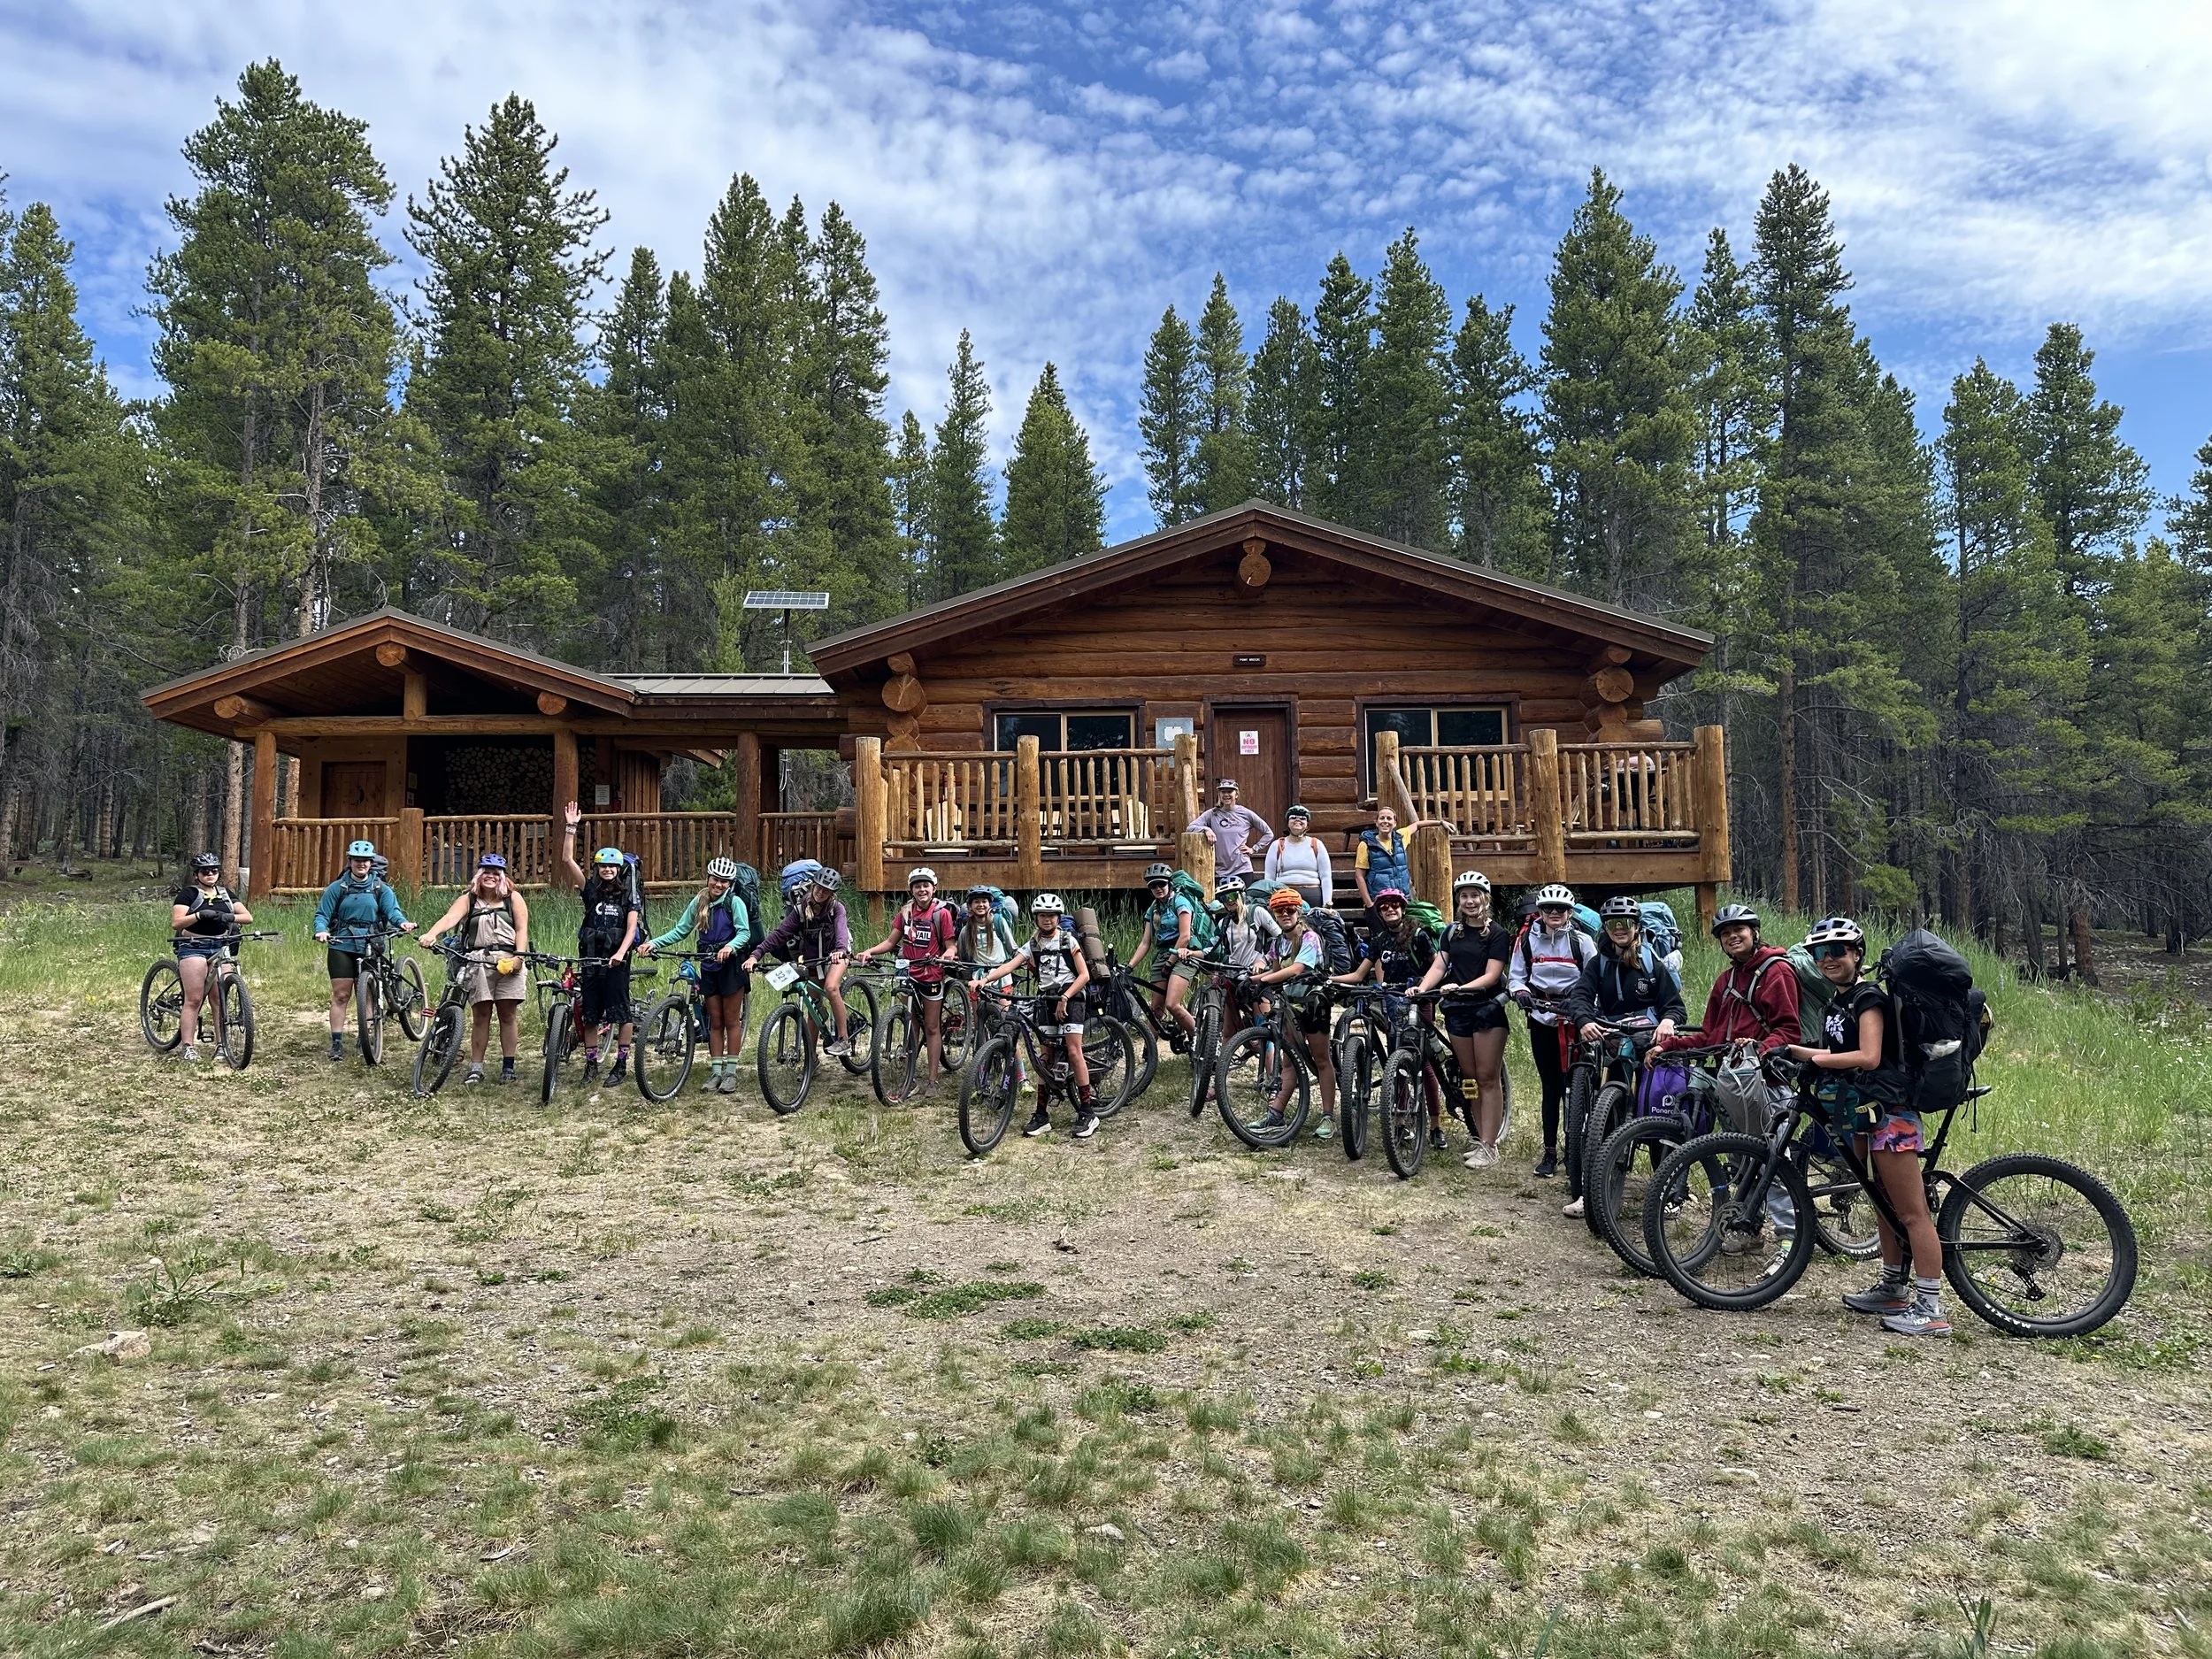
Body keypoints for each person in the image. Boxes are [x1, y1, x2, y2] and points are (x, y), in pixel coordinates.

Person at [1785, 917, 1950, 1338]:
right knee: (1883, 1203)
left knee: (1912, 1213)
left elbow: (1870, 1056)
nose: (1828, 960)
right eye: (1820, 953)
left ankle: (1931, 1307)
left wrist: (1815, 1060)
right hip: (1864, 1110)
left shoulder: (1868, 999)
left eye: (1837, 951)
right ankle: (1894, 1287)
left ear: (1857, 954)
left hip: (1891, 1113)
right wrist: (1789, 1050)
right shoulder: (1835, 1002)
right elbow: (1829, 1050)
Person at [1559, 894, 1685, 1217]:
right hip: (1613, 1039)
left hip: (1648, 1041)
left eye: (1625, 923)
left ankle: (1670, 1189)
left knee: (1657, 1106)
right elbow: (1581, 998)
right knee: (1600, 1116)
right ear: (1605, 927)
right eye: (1613, 923)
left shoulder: (1651, 961)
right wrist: (1585, 1020)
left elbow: (1674, 1004)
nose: (1619, 929)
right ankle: (1591, 1191)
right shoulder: (1598, 962)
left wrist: (1668, 1021)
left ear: (1636, 926)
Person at [977, 893, 1097, 1140]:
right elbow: (1010, 965)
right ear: (1036, 918)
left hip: (1071, 996)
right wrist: (984, 980)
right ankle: (1041, 1115)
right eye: (1042, 915)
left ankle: (1087, 1111)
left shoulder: (1068, 940)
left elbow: (1084, 975)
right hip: (1046, 999)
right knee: (1045, 1058)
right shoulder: (1033, 945)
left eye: (1051, 915)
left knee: (1074, 1051)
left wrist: (1065, 998)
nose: (1047, 920)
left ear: (1057, 917)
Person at [1331, 887, 1444, 1147]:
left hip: (1419, 1001)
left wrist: (1423, 988)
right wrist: (1330, 979)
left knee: (1423, 1063)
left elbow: (1437, 965)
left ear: (1403, 908)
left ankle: (1436, 1125)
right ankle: (1402, 1124)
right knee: (1399, 1064)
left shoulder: (1419, 934)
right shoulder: (1380, 940)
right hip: (1393, 1003)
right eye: (1384, 906)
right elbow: (1359, 975)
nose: (1390, 909)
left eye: (1394, 904)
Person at [1416, 871, 1512, 1167]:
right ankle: (1481, 1138)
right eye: (1464, 896)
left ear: (1485, 899)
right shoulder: (1451, 931)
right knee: (1470, 1078)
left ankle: (1490, 1145)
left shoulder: (1497, 934)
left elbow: (1492, 975)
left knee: (1487, 1077)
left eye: (1475, 895)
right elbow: (1440, 965)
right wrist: (1422, 987)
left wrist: (1461, 987)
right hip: (1457, 1009)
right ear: (1458, 899)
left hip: (1486, 1009)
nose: (1470, 901)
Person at [1507, 883, 1598, 1178]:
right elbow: (1516, 977)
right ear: (1540, 912)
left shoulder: (1582, 941)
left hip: (1574, 1022)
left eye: (1560, 909)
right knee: (1551, 1088)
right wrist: (1520, 993)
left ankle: (1574, 1150)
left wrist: (1583, 1007)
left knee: (1576, 1087)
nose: (1554, 913)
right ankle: (1549, 1152)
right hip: (1542, 1019)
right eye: (1549, 909)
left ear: (1570, 912)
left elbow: (1594, 979)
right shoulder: (1527, 941)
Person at [640, 856, 752, 1094]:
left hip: (731, 966)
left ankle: (731, 1073)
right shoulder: (699, 902)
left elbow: (745, 933)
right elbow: (681, 931)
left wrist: (730, 947)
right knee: (715, 1022)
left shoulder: (735, 903)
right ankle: (716, 1072)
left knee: (731, 1020)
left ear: (730, 884)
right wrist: (655, 944)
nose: (718, 885)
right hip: (708, 965)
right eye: (715, 880)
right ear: (708, 879)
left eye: (724, 881)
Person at [418, 854, 533, 1085]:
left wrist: (519, 958)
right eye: (486, 872)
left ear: (502, 877)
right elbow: (450, 918)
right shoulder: (468, 899)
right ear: (479, 876)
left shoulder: (514, 898)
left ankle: (508, 1067)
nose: (491, 876)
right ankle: (476, 1068)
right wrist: (432, 933)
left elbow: (522, 929)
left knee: (508, 1015)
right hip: (477, 960)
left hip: (508, 960)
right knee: (481, 1016)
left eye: (495, 873)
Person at [557, 803, 642, 1087]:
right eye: (603, 866)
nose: (607, 870)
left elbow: (632, 929)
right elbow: (567, 860)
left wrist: (620, 953)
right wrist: (572, 827)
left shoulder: (627, 897)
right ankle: (591, 1064)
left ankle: (620, 1064)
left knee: (621, 1014)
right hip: (591, 961)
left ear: (619, 869)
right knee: (590, 1014)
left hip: (616, 963)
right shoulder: (591, 892)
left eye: (612, 866)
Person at [854, 866, 958, 1091]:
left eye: (926, 886)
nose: (922, 890)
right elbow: (891, 942)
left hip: (931, 974)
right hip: (908, 973)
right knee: (912, 1025)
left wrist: (948, 954)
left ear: (934, 888)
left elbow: (950, 945)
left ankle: (932, 1080)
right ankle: (910, 1077)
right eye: (917, 886)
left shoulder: (942, 914)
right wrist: (870, 951)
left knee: (931, 1027)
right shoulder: (906, 913)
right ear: (911, 890)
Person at [312, 839, 412, 1062]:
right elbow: (322, 915)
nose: (361, 864)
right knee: (341, 994)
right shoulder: (337, 888)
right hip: (342, 944)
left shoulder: (381, 889)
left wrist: (402, 923)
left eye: (365, 861)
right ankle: (337, 1042)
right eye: (357, 860)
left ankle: (365, 1037)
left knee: (366, 992)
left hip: (371, 942)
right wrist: (321, 930)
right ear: (350, 862)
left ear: (371, 862)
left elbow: (393, 912)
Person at [1251, 887, 1338, 1137]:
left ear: (1299, 912)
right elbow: (1273, 966)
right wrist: (1258, 970)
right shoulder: (1279, 941)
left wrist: (1263, 981)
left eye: (1290, 909)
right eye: (1280, 910)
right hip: (1290, 1005)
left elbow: (1297, 969)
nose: (1285, 914)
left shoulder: (1309, 938)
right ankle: (1275, 1114)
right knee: (1288, 1060)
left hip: (1313, 1002)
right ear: (1274, 914)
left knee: (1321, 1059)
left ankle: (1328, 1117)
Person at [743, 868, 853, 1053]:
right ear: (813, 885)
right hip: (813, 958)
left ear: (831, 894)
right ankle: (812, 1059)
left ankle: (843, 1039)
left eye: (826, 890)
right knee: (814, 1008)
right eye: (818, 887)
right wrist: (756, 954)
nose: (820, 892)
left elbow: (841, 931)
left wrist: (840, 950)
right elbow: (780, 934)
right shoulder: (801, 910)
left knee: (831, 987)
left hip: (837, 953)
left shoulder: (836, 908)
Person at [170, 852, 250, 1063]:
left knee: (219, 998)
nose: (210, 874)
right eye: (205, 871)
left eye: (214, 870)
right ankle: (188, 1046)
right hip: (194, 945)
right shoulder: (188, 894)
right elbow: (177, 923)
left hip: (220, 945)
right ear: (196, 875)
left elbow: (247, 917)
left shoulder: (226, 893)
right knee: (195, 998)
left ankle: (222, 1045)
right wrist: (198, 915)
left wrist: (229, 917)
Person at [1127, 862, 1199, 1047]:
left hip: (1184, 955)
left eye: (1161, 884)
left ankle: (1201, 1041)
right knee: (1155, 1009)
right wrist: (1129, 966)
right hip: (1161, 956)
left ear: (1170, 884)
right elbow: (1145, 942)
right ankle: (1149, 1051)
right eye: (1153, 885)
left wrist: (1170, 963)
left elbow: (1185, 936)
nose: (1158, 888)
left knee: (1172, 1005)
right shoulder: (1154, 908)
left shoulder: (1181, 902)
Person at [1209, 873, 1282, 1039]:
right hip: (1233, 976)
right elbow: (1211, 948)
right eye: (1224, 897)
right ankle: (1221, 1064)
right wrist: (1190, 953)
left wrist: (1265, 960)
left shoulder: (1257, 913)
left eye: (1233, 895)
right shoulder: (1224, 923)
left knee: (1264, 1029)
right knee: (1228, 1030)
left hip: (1257, 978)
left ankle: (1270, 1063)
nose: (1229, 900)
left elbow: (1280, 938)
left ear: (1242, 894)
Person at [1189, 778, 1272, 883]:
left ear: (1236, 794)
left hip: (1243, 869)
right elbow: (1191, 827)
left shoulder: (1246, 814)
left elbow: (1268, 833)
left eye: (1230, 791)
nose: (1226, 794)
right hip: (1220, 871)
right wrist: (1206, 829)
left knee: (1245, 899)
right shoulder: (1212, 814)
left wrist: (1254, 849)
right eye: (1223, 792)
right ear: (1219, 794)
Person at [1263, 804, 1333, 910]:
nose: (1298, 820)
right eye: (1293, 817)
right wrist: (1269, 899)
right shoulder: (1277, 845)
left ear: (1307, 824)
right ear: (1288, 823)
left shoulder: (1316, 844)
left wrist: (1327, 902)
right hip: (1284, 894)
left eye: (1302, 818)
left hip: (1312, 892)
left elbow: (1326, 876)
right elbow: (1269, 876)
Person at [1353, 805, 1416, 911]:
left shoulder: (1401, 837)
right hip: (1380, 901)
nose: (1385, 821)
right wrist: (1370, 905)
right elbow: (1359, 876)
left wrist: (1441, 823)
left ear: (1395, 823)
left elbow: (1417, 825)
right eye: (1382, 818)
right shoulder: (1366, 845)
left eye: (1389, 818)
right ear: (1376, 823)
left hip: (1402, 899)